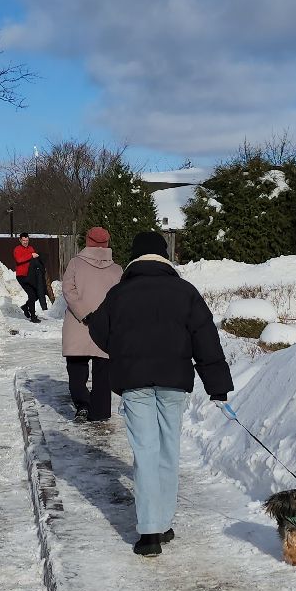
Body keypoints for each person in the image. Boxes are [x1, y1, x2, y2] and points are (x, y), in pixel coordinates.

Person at [88, 231, 233, 557]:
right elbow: (205, 338)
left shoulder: (120, 293)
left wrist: (121, 350)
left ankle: (150, 531)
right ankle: (163, 523)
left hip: (135, 383)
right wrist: (217, 384)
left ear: (136, 258)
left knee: (146, 452)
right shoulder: (185, 291)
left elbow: (98, 328)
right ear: (163, 256)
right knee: (168, 450)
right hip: (174, 384)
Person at [61, 226, 122, 422]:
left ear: (87, 241)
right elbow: (120, 298)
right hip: (104, 328)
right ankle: (101, 411)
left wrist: (84, 314)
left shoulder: (75, 263)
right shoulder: (117, 269)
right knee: (103, 372)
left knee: (77, 369)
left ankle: (83, 404)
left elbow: (68, 290)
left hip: (78, 325)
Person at [11, 234, 42, 322]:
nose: (25, 242)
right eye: (24, 240)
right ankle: (33, 316)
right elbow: (19, 260)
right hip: (22, 276)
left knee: (36, 295)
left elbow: (34, 261)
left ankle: (25, 306)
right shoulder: (17, 249)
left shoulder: (31, 249)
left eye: (27, 240)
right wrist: (31, 256)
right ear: (20, 240)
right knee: (32, 295)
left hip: (31, 276)